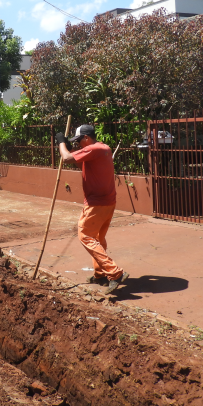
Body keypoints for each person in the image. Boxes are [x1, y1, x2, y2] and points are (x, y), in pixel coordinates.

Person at [55, 124, 129, 294]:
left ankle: (115, 273)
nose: (78, 144)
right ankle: (100, 274)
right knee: (98, 239)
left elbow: (66, 158)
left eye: (79, 141)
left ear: (87, 138)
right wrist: (70, 148)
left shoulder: (94, 149)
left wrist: (61, 143)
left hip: (96, 203)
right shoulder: (103, 148)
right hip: (108, 202)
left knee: (85, 235)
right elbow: (78, 162)